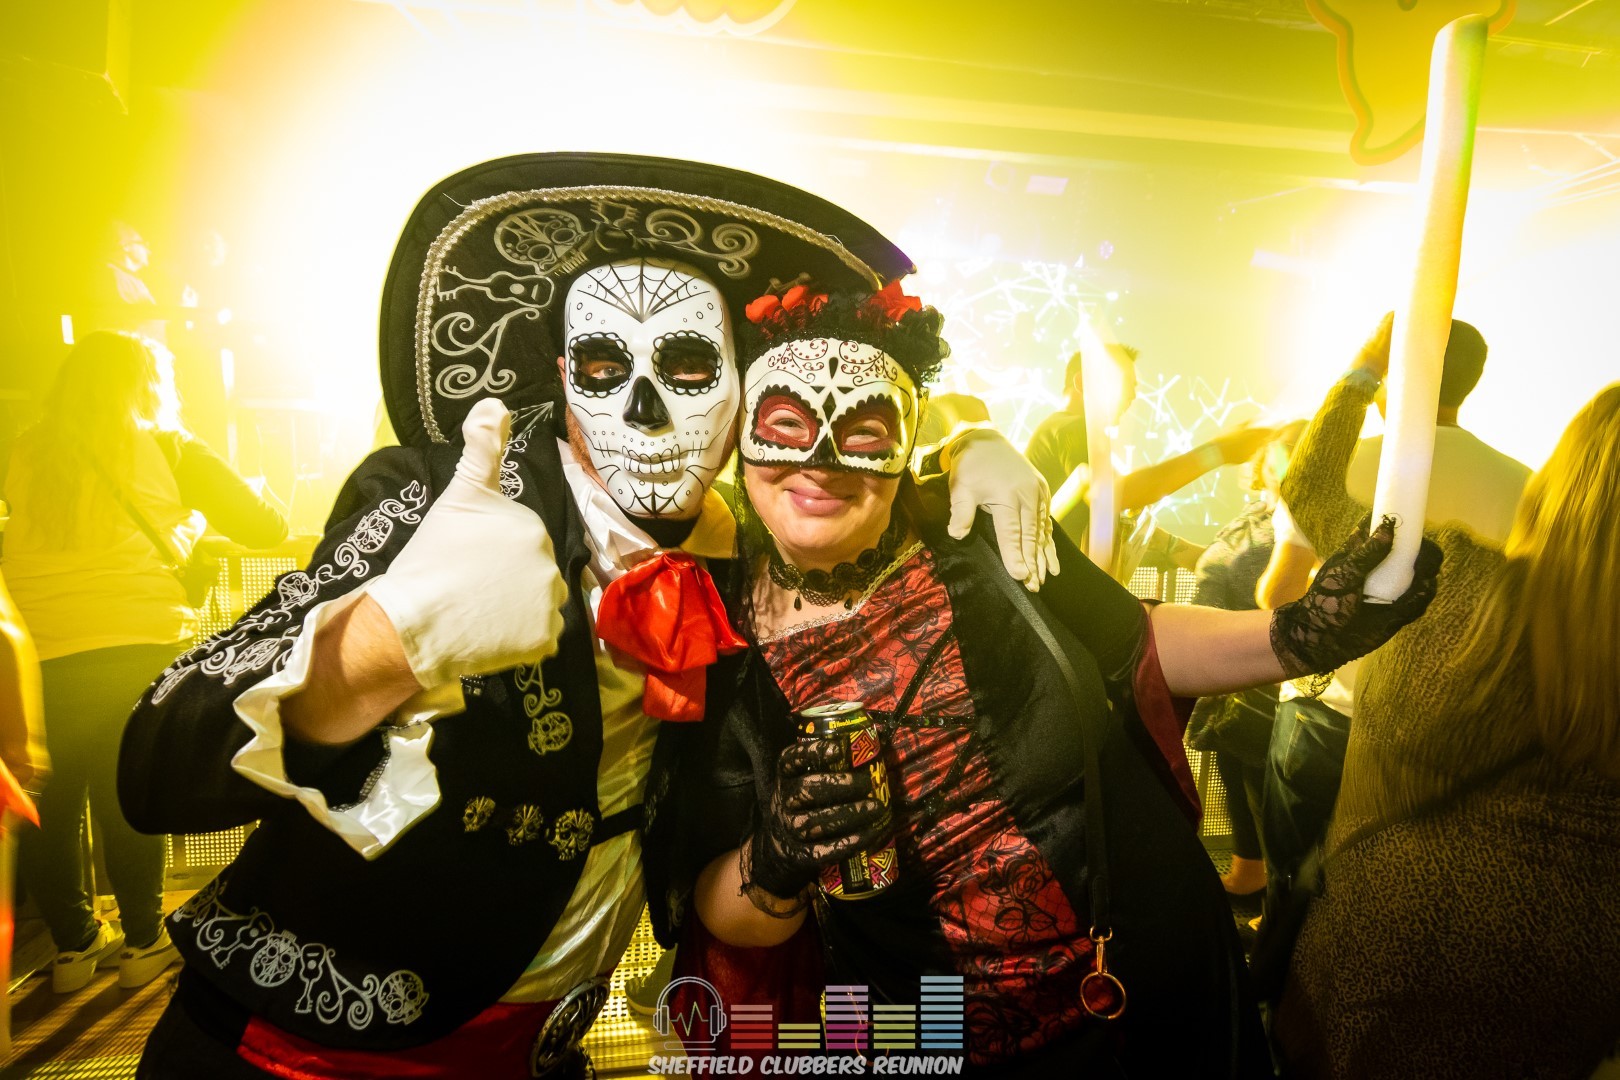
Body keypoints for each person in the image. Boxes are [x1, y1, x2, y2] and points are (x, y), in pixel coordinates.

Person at [116, 154, 1050, 1078]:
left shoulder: (744, 553)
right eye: (605, 366)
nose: (643, 411)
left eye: (688, 365)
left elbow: (855, 475)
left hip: (545, 1051)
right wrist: (384, 643)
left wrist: (967, 446)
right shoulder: (443, 500)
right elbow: (158, 768)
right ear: (564, 378)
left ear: (743, 389)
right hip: (297, 1056)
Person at [677, 283, 1441, 1076]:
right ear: (740, 433)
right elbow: (720, 914)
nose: (821, 462)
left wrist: (1301, 635)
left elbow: (1135, 643)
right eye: (786, 425)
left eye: (865, 431)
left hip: (1145, 982)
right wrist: (776, 857)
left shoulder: (979, 534)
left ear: (904, 443)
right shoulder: (705, 631)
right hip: (929, 1029)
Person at [1272, 335, 1620, 1076]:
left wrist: (1362, 372)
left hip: (1383, 958)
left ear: (1564, 482)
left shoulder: (1455, 582)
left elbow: (1310, 487)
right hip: (1575, 987)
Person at [1, 330, 287, 994]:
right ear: (147, 385)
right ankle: (141, 941)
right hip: (138, 637)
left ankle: (74, 948)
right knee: (127, 792)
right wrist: (212, 512)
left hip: (40, 648)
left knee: (56, 804)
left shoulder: (26, 448)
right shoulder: (167, 445)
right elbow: (265, 526)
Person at [1255, 313, 1531, 930]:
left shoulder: (1340, 468)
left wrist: (1364, 367)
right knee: (1390, 899)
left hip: (1325, 714)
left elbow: (1279, 595)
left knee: (1290, 890)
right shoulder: (1525, 487)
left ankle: (1275, 978)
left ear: (1396, 374)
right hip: (1443, 731)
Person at [1183, 420, 1306, 901]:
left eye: (1301, 448)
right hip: (1229, 661)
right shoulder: (1260, 512)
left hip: (1265, 667)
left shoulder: (1302, 520)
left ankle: (1271, 887)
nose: (1290, 456)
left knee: (1260, 778)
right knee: (1233, 765)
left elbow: (1277, 592)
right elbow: (1230, 563)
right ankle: (1249, 869)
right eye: (1285, 446)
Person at [1024, 343, 1272, 555]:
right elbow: (1117, 496)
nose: (1132, 395)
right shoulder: (1073, 428)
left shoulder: (1060, 429)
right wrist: (1219, 451)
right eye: (1124, 383)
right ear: (1082, 382)